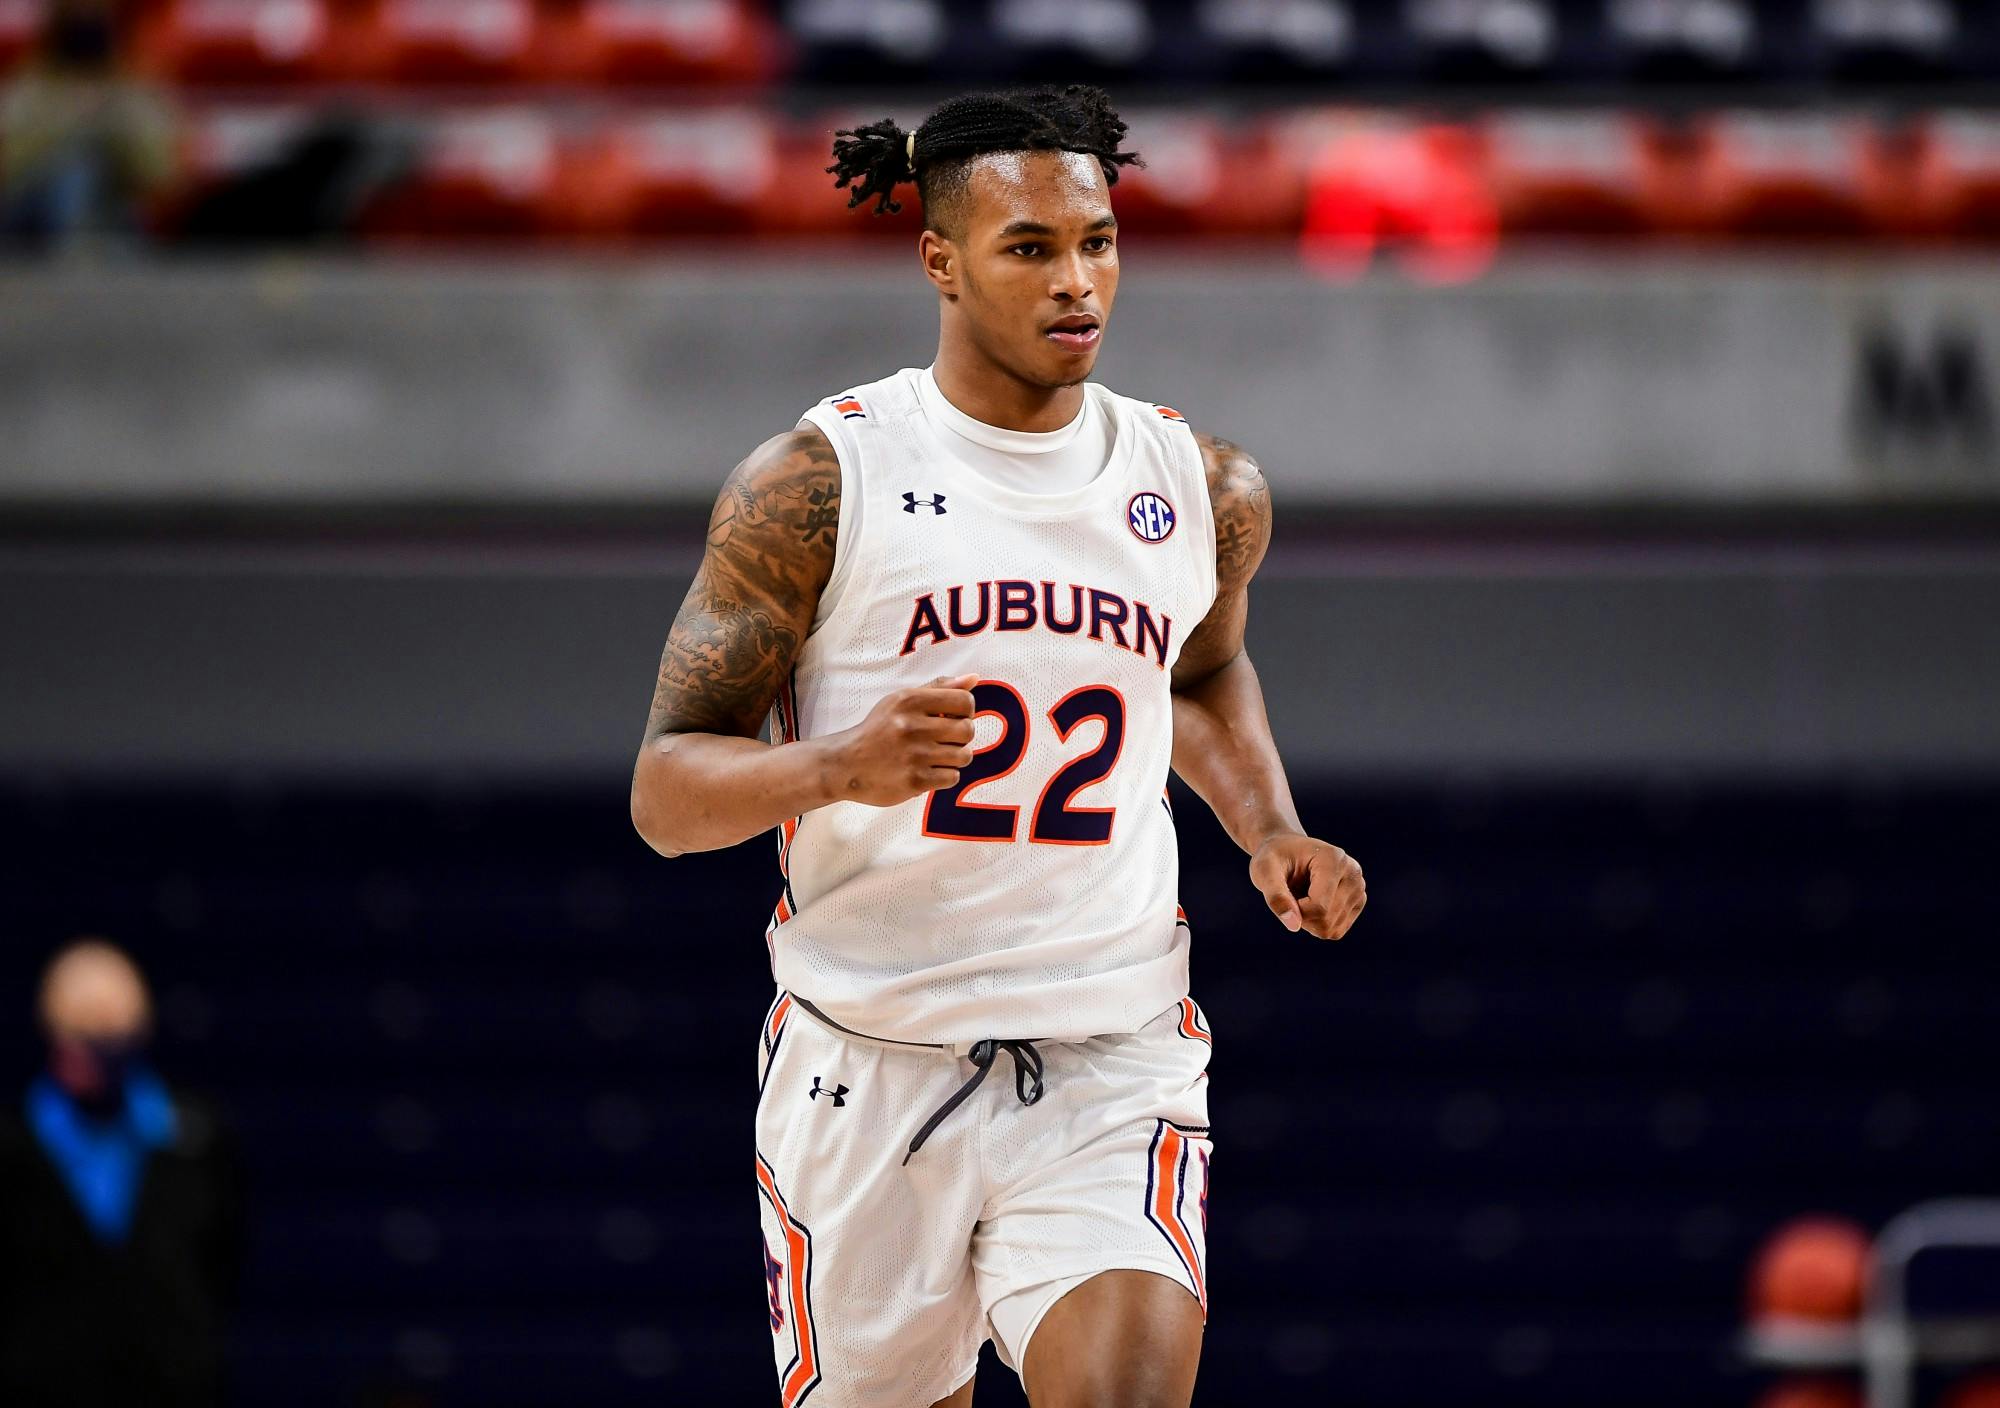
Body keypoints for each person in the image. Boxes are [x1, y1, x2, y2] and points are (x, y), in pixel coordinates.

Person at [630, 85, 1367, 1408]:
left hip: (1111, 1049)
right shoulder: (816, 483)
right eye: (1030, 247)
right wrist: (833, 771)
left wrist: (1270, 827)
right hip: (869, 1058)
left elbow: (1197, 676)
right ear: (941, 261)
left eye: (1099, 241)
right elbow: (668, 794)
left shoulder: (1198, 483)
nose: (1077, 279)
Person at [0, 939, 243, 1407]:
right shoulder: (11, 1150)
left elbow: (223, 1262)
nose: (93, 1058)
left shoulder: (195, 1139)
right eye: (79, 1038)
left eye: (108, 1041)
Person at [0, 0, 177, 250]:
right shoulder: (28, 89)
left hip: (112, 216)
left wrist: (109, 123)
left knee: (90, 173)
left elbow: (159, 175)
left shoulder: (133, 92)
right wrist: (67, 125)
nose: (85, 20)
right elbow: (11, 171)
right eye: (76, 11)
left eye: (93, 12)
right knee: (74, 174)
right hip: (33, 224)